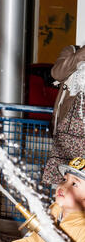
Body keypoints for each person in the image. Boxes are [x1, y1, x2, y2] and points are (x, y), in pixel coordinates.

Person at [43, 44, 85, 184]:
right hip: (67, 133)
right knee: (61, 183)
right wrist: (81, 55)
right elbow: (57, 74)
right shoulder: (72, 51)